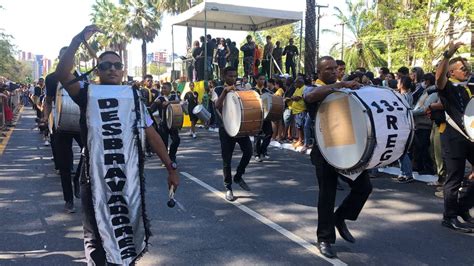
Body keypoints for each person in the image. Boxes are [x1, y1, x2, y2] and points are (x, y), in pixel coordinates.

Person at [55, 25, 179, 264]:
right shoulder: (86, 93)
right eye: (105, 66)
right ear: (97, 71)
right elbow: (62, 73)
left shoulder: (133, 98)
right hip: (92, 176)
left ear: (123, 71)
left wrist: (171, 168)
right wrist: (76, 39)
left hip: (125, 175)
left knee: (125, 228)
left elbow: (152, 134)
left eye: (117, 65)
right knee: (95, 235)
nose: (112, 69)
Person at [303, 56, 372, 258]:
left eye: (336, 69)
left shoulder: (343, 89)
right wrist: (340, 85)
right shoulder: (312, 88)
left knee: (364, 187)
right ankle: (324, 238)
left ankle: (340, 217)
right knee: (327, 195)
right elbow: (310, 97)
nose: (335, 72)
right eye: (329, 69)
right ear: (319, 72)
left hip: (349, 147)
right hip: (324, 151)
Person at [435, 41, 474, 233]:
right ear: (452, 72)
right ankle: (449, 217)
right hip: (454, 138)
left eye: (467, 67)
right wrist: (447, 56)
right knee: (454, 178)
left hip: (471, 137)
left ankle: (463, 208)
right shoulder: (447, 87)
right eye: (462, 68)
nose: (466, 70)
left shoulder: (470, 87)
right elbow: (439, 79)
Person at [42, 47, 84, 213]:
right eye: (64, 57)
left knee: (87, 152)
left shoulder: (83, 76)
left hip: (80, 123)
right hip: (60, 124)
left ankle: (78, 178)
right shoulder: (51, 78)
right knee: (64, 165)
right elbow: (49, 100)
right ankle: (68, 200)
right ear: (60, 59)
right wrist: (46, 117)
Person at [212, 66, 252, 201]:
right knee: (226, 160)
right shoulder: (217, 90)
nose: (233, 79)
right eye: (230, 76)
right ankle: (228, 187)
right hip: (226, 129)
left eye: (235, 76)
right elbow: (217, 105)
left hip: (240, 127)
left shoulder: (240, 89)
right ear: (224, 76)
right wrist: (225, 91)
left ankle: (238, 176)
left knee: (249, 152)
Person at [150, 82, 181, 163]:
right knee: (164, 143)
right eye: (162, 88)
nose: (163, 89)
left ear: (170, 89)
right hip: (163, 124)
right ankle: (166, 159)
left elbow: (179, 102)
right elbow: (152, 108)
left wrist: (169, 102)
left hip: (173, 123)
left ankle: (172, 156)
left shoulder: (174, 96)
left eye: (165, 88)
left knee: (176, 140)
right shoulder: (160, 98)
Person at [252, 73, 273, 162]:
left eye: (264, 79)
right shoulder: (252, 91)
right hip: (256, 115)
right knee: (257, 135)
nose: (262, 81)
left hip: (266, 116)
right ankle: (256, 154)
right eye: (260, 79)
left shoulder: (267, 91)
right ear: (256, 80)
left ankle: (263, 150)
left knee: (269, 133)